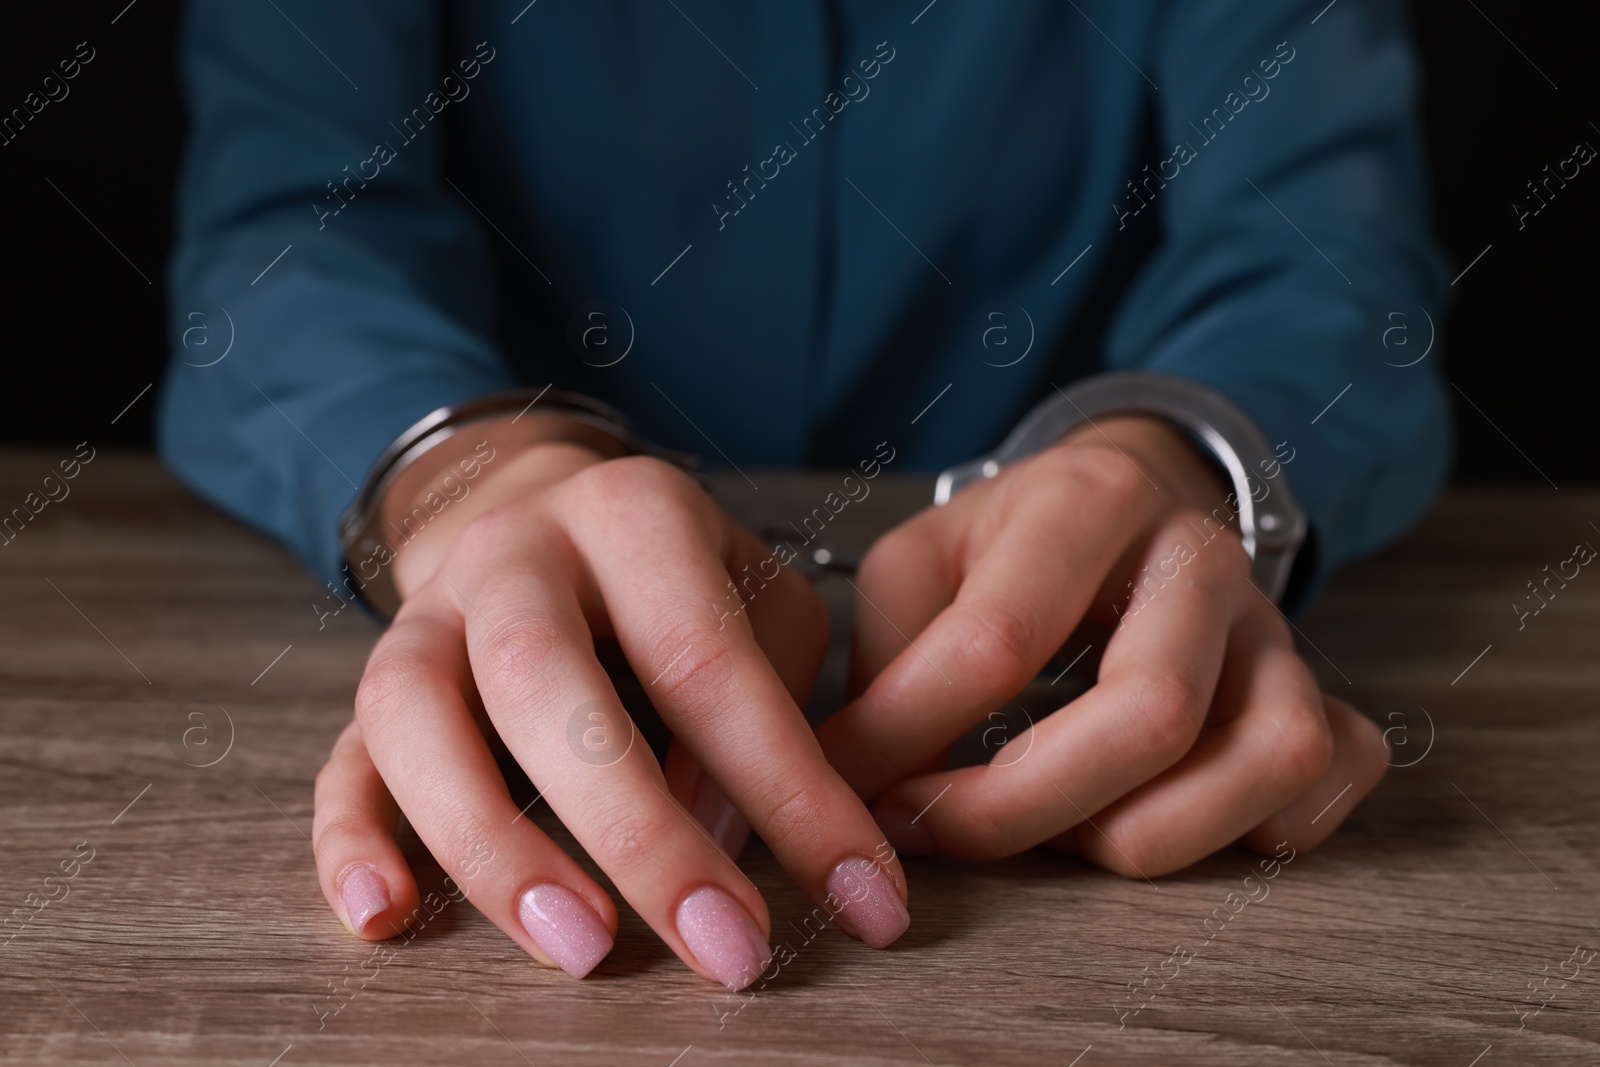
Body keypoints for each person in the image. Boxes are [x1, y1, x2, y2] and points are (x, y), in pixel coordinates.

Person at [159, 0, 1449, 990]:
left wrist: (1171, 474)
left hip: (1056, 675)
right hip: (553, 620)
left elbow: (1325, 253)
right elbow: (291, 224)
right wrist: (474, 484)